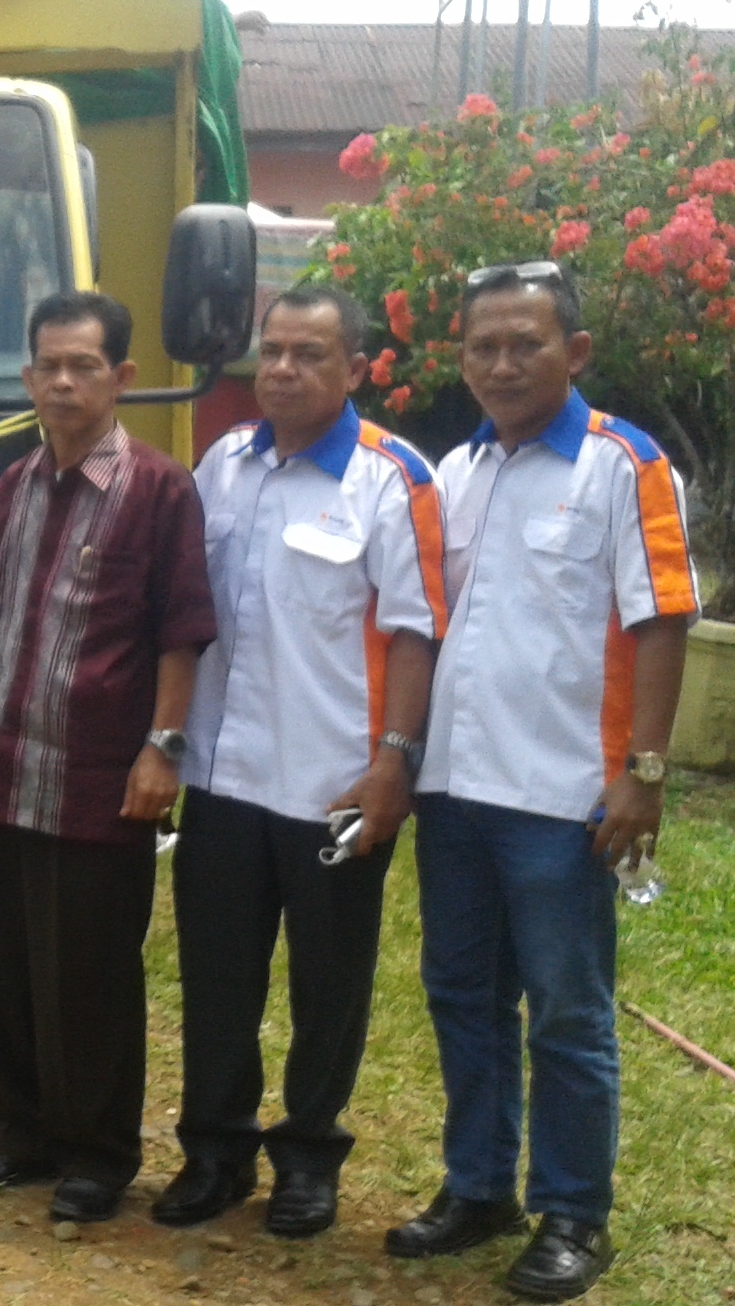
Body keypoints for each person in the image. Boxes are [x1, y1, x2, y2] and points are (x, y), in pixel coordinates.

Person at [390, 261, 695, 1302]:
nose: (504, 362)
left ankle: (575, 1212)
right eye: (484, 345)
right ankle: (479, 1189)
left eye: (527, 342)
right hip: (456, 793)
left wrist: (642, 775)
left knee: (567, 1010)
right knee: (462, 997)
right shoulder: (458, 473)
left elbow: (662, 617)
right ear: (462, 358)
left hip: (567, 801)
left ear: (576, 352)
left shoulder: (624, 465)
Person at [158, 287, 445, 1237]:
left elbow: (412, 633)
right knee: (217, 977)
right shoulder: (222, 466)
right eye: (271, 351)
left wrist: (392, 766)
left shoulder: (390, 479)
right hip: (221, 778)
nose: (281, 369)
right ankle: (214, 1152)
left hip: (333, 785)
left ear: (354, 369)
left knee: (328, 983)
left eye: (307, 354)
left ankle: (308, 1158)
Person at [0, 290, 216, 1224]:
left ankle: (96, 1157)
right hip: (1, 769)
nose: (62, 381)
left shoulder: (159, 490)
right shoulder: (14, 486)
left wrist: (161, 749)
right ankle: (18, 1139)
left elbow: (180, 636)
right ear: (26, 377)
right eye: (48, 365)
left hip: (97, 779)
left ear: (121, 378)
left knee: (87, 978)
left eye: (83, 365)